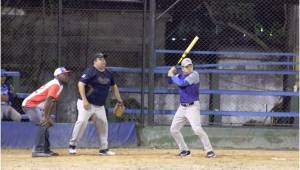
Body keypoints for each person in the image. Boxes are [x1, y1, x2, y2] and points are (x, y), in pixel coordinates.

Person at [69, 52, 123, 156]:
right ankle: (72, 145)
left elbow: (114, 86)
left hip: (99, 105)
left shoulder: (108, 73)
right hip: (87, 103)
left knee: (103, 124)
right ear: (94, 62)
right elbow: (81, 84)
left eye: (104, 59)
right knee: (82, 122)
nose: (103, 61)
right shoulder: (90, 71)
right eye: (100, 59)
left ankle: (104, 149)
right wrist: (84, 100)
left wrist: (119, 100)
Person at [167, 58, 216, 158]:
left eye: (190, 66)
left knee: (197, 129)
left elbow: (182, 84)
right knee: (174, 129)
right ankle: (184, 150)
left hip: (192, 107)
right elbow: (169, 81)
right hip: (182, 107)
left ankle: (209, 150)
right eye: (186, 67)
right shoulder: (179, 75)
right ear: (182, 68)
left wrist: (172, 75)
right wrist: (170, 72)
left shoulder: (194, 75)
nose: (189, 68)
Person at [22, 67, 71, 157]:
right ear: (57, 75)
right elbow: (48, 100)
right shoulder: (55, 84)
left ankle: (45, 149)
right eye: (64, 74)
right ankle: (37, 150)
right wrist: (46, 117)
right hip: (30, 104)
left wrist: (47, 117)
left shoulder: (60, 86)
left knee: (45, 124)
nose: (66, 76)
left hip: (36, 106)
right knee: (43, 123)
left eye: (67, 74)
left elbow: (52, 102)